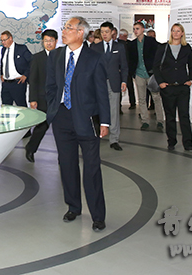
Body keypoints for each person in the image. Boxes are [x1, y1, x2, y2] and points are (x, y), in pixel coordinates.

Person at [46, 16, 110, 232]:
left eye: (69, 28)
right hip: (62, 118)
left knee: (92, 169)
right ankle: (73, 206)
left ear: (81, 32)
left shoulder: (95, 58)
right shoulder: (56, 56)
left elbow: (102, 92)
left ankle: (98, 215)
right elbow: (51, 86)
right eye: (64, 28)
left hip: (87, 119)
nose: (64, 31)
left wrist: (105, 121)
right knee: (67, 165)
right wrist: (53, 109)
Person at [153, 23, 192, 151]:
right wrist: (160, 82)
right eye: (173, 31)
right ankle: (171, 141)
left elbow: (191, 65)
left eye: (178, 31)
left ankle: (188, 143)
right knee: (170, 116)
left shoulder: (186, 48)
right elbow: (156, 66)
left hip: (182, 88)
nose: (175, 33)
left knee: (184, 116)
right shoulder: (163, 47)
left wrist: (190, 79)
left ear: (182, 33)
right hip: (168, 88)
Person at [90, 21, 128, 151]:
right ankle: (96, 135)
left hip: (114, 83)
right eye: (102, 32)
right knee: (96, 109)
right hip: (98, 83)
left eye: (106, 32)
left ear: (112, 32)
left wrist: (124, 81)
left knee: (114, 111)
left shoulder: (119, 47)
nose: (104, 34)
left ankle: (114, 139)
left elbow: (124, 66)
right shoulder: (95, 47)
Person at [25, 29, 58, 162]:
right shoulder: (37, 58)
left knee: (61, 129)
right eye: (46, 41)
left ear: (56, 41)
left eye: (51, 41)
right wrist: (33, 99)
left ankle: (63, 156)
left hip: (59, 98)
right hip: (43, 98)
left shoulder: (62, 56)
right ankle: (30, 148)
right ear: (42, 42)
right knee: (42, 127)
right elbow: (33, 80)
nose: (48, 43)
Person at [127, 22, 165, 131]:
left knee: (156, 97)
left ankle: (160, 121)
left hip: (151, 74)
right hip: (139, 74)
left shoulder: (150, 41)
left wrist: (157, 69)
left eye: (137, 28)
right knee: (142, 99)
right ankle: (145, 121)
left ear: (143, 29)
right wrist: (133, 73)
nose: (135, 31)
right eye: (134, 29)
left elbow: (160, 50)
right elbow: (130, 60)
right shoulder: (132, 44)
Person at [0, 30, 32, 106]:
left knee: (21, 107)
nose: (3, 42)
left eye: (4, 40)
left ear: (10, 38)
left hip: (18, 83)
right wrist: (1, 74)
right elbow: (3, 63)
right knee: (5, 107)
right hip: (6, 84)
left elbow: (32, 62)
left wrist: (25, 75)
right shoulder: (3, 50)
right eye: (1, 40)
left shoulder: (21, 48)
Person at [118, 28, 136, 109]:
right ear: (120, 35)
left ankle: (133, 103)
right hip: (119, 69)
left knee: (130, 87)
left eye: (126, 36)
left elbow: (132, 57)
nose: (125, 38)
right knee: (119, 89)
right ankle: (119, 105)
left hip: (128, 69)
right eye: (124, 36)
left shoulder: (130, 44)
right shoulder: (117, 44)